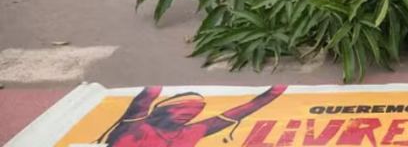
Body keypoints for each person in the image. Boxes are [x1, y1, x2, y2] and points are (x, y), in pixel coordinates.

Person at [96, 85, 286, 146]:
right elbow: (144, 100)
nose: (187, 115)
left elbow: (239, 112)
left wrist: (273, 93)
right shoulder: (136, 127)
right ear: (160, 110)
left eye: (193, 112)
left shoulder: (190, 132)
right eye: (182, 109)